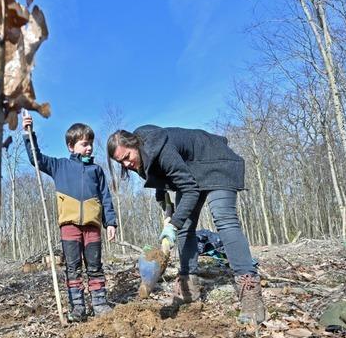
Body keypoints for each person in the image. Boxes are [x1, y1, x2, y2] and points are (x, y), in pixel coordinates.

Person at [107, 125, 266, 324]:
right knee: (184, 229)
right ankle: (188, 287)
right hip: (192, 173)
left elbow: (188, 189)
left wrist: (172, 224)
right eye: (120, 162)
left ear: (135, 144)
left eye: (127, 156)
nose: (126, 164)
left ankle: (249, 289)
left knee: (224, 220)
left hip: (216, 162)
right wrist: (166, 207)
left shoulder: (160, 147)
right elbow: (161, 180)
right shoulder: (138, 160)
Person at [22, 114, 117, 322]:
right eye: (84, 144)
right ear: (71, 146)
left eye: (91, 144)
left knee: (95, 265)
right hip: (69, 227)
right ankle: (77, 307)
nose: (89, 148)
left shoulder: (96, 171)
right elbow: (35, 158)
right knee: (73, 267)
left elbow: (106, 197)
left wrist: (110, 222)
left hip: (92, 226)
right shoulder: (59, 166)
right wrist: (29, 135)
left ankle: (100, 303)